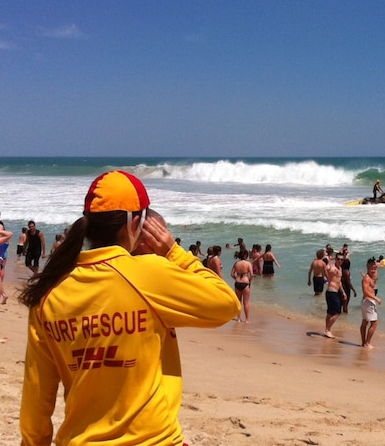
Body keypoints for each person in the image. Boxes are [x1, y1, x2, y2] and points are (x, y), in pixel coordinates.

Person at [18, 170, 240, 446]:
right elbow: (227, 304)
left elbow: (37, 397)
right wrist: (173, 250)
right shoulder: (149, 274)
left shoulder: (48, 292)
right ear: (136, 224)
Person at [323, 253, 348, 338]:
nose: (340, 261)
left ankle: (327, 330)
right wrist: (328, 267)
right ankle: (327, 330)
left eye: (342, 260)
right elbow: (326, 269)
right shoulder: (332, 267)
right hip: (331, 292)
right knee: (337, 312)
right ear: (335, 259)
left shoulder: (340, 268)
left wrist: (343, 292)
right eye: (338, 259)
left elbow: (339, 282)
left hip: (335, 292)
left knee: (330, 312)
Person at [360, 258, 382, 349]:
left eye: (375, 269)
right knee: (374, 323)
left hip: (367, 302)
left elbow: (376, 277)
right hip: (368, 301)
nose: (373, 270)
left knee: (365, 322)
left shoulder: (371, 277)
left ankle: (364, 342)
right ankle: (367, 343)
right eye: (371, 269)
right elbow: (365, 291)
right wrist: (376, 298)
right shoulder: (366, 278)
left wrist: (377, 265)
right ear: (367, 268)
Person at [231, 248, 253, 323]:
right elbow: (252, 275)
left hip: (237, 283)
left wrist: (236, 279)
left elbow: (232, 274)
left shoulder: (236, 263)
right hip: (245, 282)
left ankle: (239, 318)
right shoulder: (248, 263)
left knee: (238, 301)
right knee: (246, 302)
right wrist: (249, 281)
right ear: (246, 255)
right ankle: (247, 320)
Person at [340, 247, 356, 313]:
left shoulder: (341, 270)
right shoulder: (347, 272)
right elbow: (348, 282)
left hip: (341, 287)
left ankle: (340, 315)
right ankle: (345, 316)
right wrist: (354, 290)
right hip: (346, 288)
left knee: (342, 302)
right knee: (346, 304)